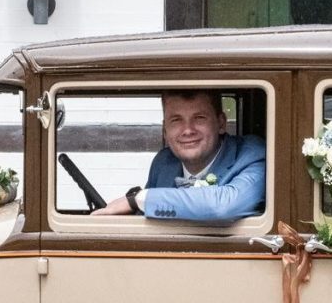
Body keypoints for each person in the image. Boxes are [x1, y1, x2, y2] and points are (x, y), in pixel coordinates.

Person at [92, 90, 266, 221]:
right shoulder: (163, 162)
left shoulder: (252, 155)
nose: (188, 130)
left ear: (221, 123)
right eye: (176, 120)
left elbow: (222, 207)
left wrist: (137, 199)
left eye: (199, 118)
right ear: (164, 131)